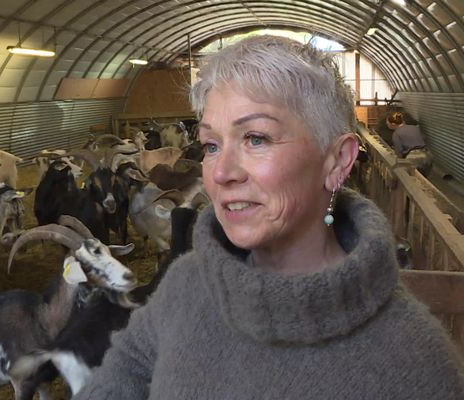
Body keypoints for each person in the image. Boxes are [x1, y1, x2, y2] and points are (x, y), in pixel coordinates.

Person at [74, 36, 464, 399]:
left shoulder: (416, 363)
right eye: (211, 144)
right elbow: (121, 374)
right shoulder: (188, 281)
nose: (221, 172)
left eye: (255, 138)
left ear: (338, 161)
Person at [387, 111, 433, 176]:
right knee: (422, 178)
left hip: (414, 157)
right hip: (428, 156)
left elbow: (399, 153)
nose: (387, 125)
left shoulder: (396, 134)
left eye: (387, 123)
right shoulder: (415, 127)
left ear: (393, 124)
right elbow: (424, 139)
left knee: (405, 177)